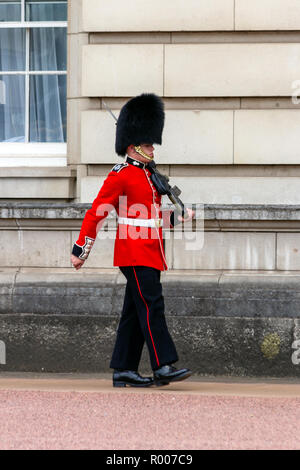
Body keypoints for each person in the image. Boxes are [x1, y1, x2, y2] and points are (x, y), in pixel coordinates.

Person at [71, 93, 194, 387]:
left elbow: (149, 219)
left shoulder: (148, 176)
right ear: (133, 146)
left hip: (149, 250)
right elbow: (96, 213)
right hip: (134, 252)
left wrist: (177, 219)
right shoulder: (121, 175)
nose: (153, 148)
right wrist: (81, 249)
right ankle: (163, 365)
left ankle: (123, 368)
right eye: (149, 144)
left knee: (134, 311)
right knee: (152, 306)